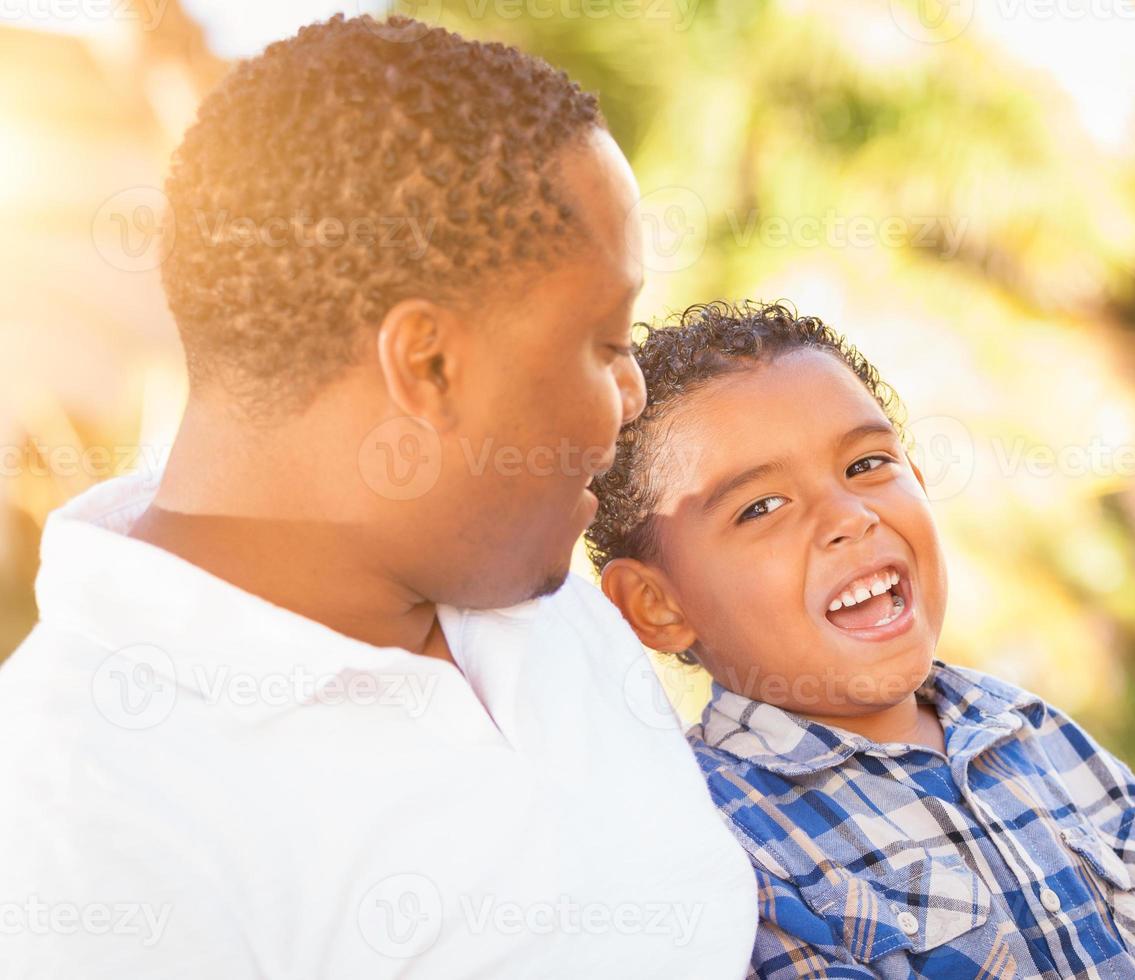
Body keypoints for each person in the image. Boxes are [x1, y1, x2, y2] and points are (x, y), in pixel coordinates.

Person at [0, 16, 755, 978]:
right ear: (428, 364)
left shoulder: (528, 576)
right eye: (605, 340)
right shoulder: (75, 823)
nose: (635, 388)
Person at [587, 300, 1135, 979]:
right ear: (656, 605)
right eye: (762, 506)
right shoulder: (723, 841)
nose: (850, 514)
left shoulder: (1031, 731)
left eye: (866, 465)